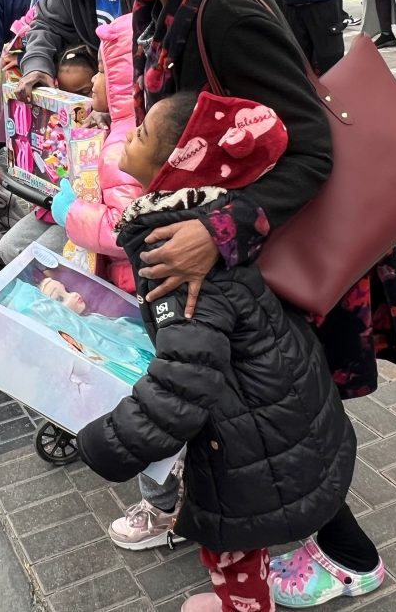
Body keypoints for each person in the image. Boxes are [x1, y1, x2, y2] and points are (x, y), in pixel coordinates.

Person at [107, 0, 396, 607]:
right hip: (241, 252)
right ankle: (211, 520)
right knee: (245, 412)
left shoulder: (225, 8)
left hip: (268, 249)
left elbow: (312, 144)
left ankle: (348, 556)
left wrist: (217, 231)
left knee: (276, 415)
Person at [78, 89, 356, 612]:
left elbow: (185, 382)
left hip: (245, 435)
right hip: (268, 406)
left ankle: (244, 608)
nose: (130, 137)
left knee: (231, 549)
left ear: (170, 167)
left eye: (141, 135)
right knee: (240, 543)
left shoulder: (173, 251)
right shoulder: (208, 221)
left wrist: (106, 443)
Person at [47, 15, 140, 293]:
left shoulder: (123, 146)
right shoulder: (130, 127)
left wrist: (71, 211)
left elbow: (124, 229)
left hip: (128, 282)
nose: (95, 79)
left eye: (101, 71)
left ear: (121, 80)